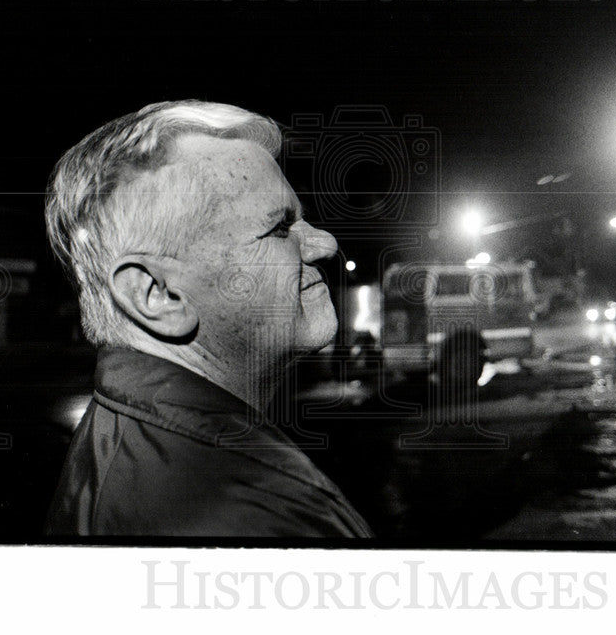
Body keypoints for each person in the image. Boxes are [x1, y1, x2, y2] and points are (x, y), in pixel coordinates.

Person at [43, 100, 373, 538]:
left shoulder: (131, 441)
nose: (324, 244)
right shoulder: (256, 514)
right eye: (278, 228)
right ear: (157, 295)